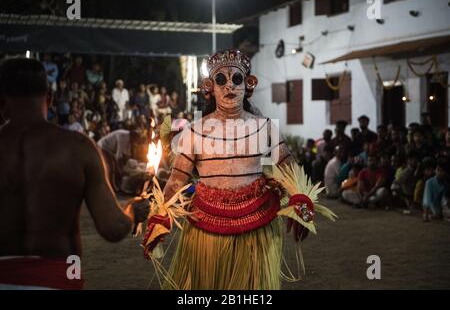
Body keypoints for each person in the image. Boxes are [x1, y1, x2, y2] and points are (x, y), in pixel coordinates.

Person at [144, 50, 314, 290]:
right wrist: (160, 217)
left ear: (249, 84)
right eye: (221, 80)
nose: (229, 87)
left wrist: (300, 197)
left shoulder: (265, 127)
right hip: (205, 227)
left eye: (237, 79)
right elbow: (177, 179)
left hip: (257, 226)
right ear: (210, 87)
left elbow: (289, 168)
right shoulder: (194, 132)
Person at [0, 58, 149, 290]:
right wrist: (133, 209)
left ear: (1, 101)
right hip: (59, 277)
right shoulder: (77, 147)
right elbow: (113, 227)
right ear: (49, 99)